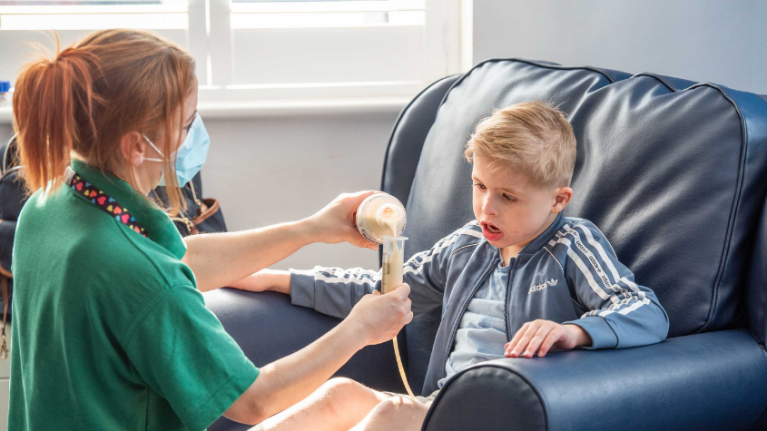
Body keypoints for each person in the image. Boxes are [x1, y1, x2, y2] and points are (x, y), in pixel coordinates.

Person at [8, 29, 412, 431]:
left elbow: (183, 260)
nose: (193, 135)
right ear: (136, 146)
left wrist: (313, 228)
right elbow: (254, 400)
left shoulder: (50, 205)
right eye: (185, 125)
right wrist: (360, 329)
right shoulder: (140, 276)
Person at [237, 101, 670, 431]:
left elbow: (643, 310)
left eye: (508, 197)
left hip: (508, 417)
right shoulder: (467, 245)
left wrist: (574, 331)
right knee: (340, 394)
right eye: (480, 186)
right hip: (444, 408)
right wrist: (278, 280)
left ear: (558, 200)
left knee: (388, 413)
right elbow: (385, 291)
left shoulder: (573, 244)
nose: (487, 208)